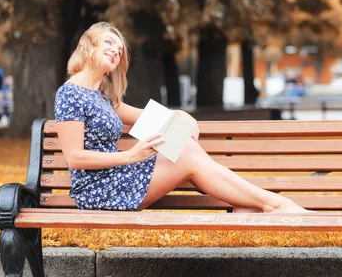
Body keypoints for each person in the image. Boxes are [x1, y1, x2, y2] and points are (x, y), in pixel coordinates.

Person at [54, 22, 310, 213]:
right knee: (186, 155)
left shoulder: (102, 97)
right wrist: (129, 156)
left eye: (120, 50)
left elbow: (144, 117)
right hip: (99, 191)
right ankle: (272, 203)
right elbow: (75, 158)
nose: (115, 51)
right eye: (109, 43)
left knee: (183, 143)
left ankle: (254, 204)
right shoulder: (70, 94)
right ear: (88, 44)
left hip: (117, 177)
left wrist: (177, 114)